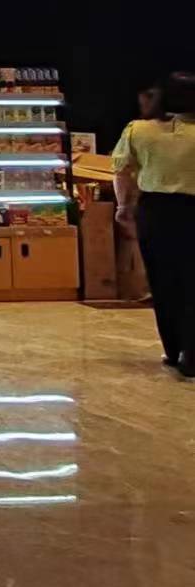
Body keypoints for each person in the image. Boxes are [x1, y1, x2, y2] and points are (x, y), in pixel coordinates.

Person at [113, 72, 195, 377]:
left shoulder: (139, 130)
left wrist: (124, 207)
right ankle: (192, 353)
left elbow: (122, 171)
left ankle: (173, 348)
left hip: (156, 211)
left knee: (162, 280)